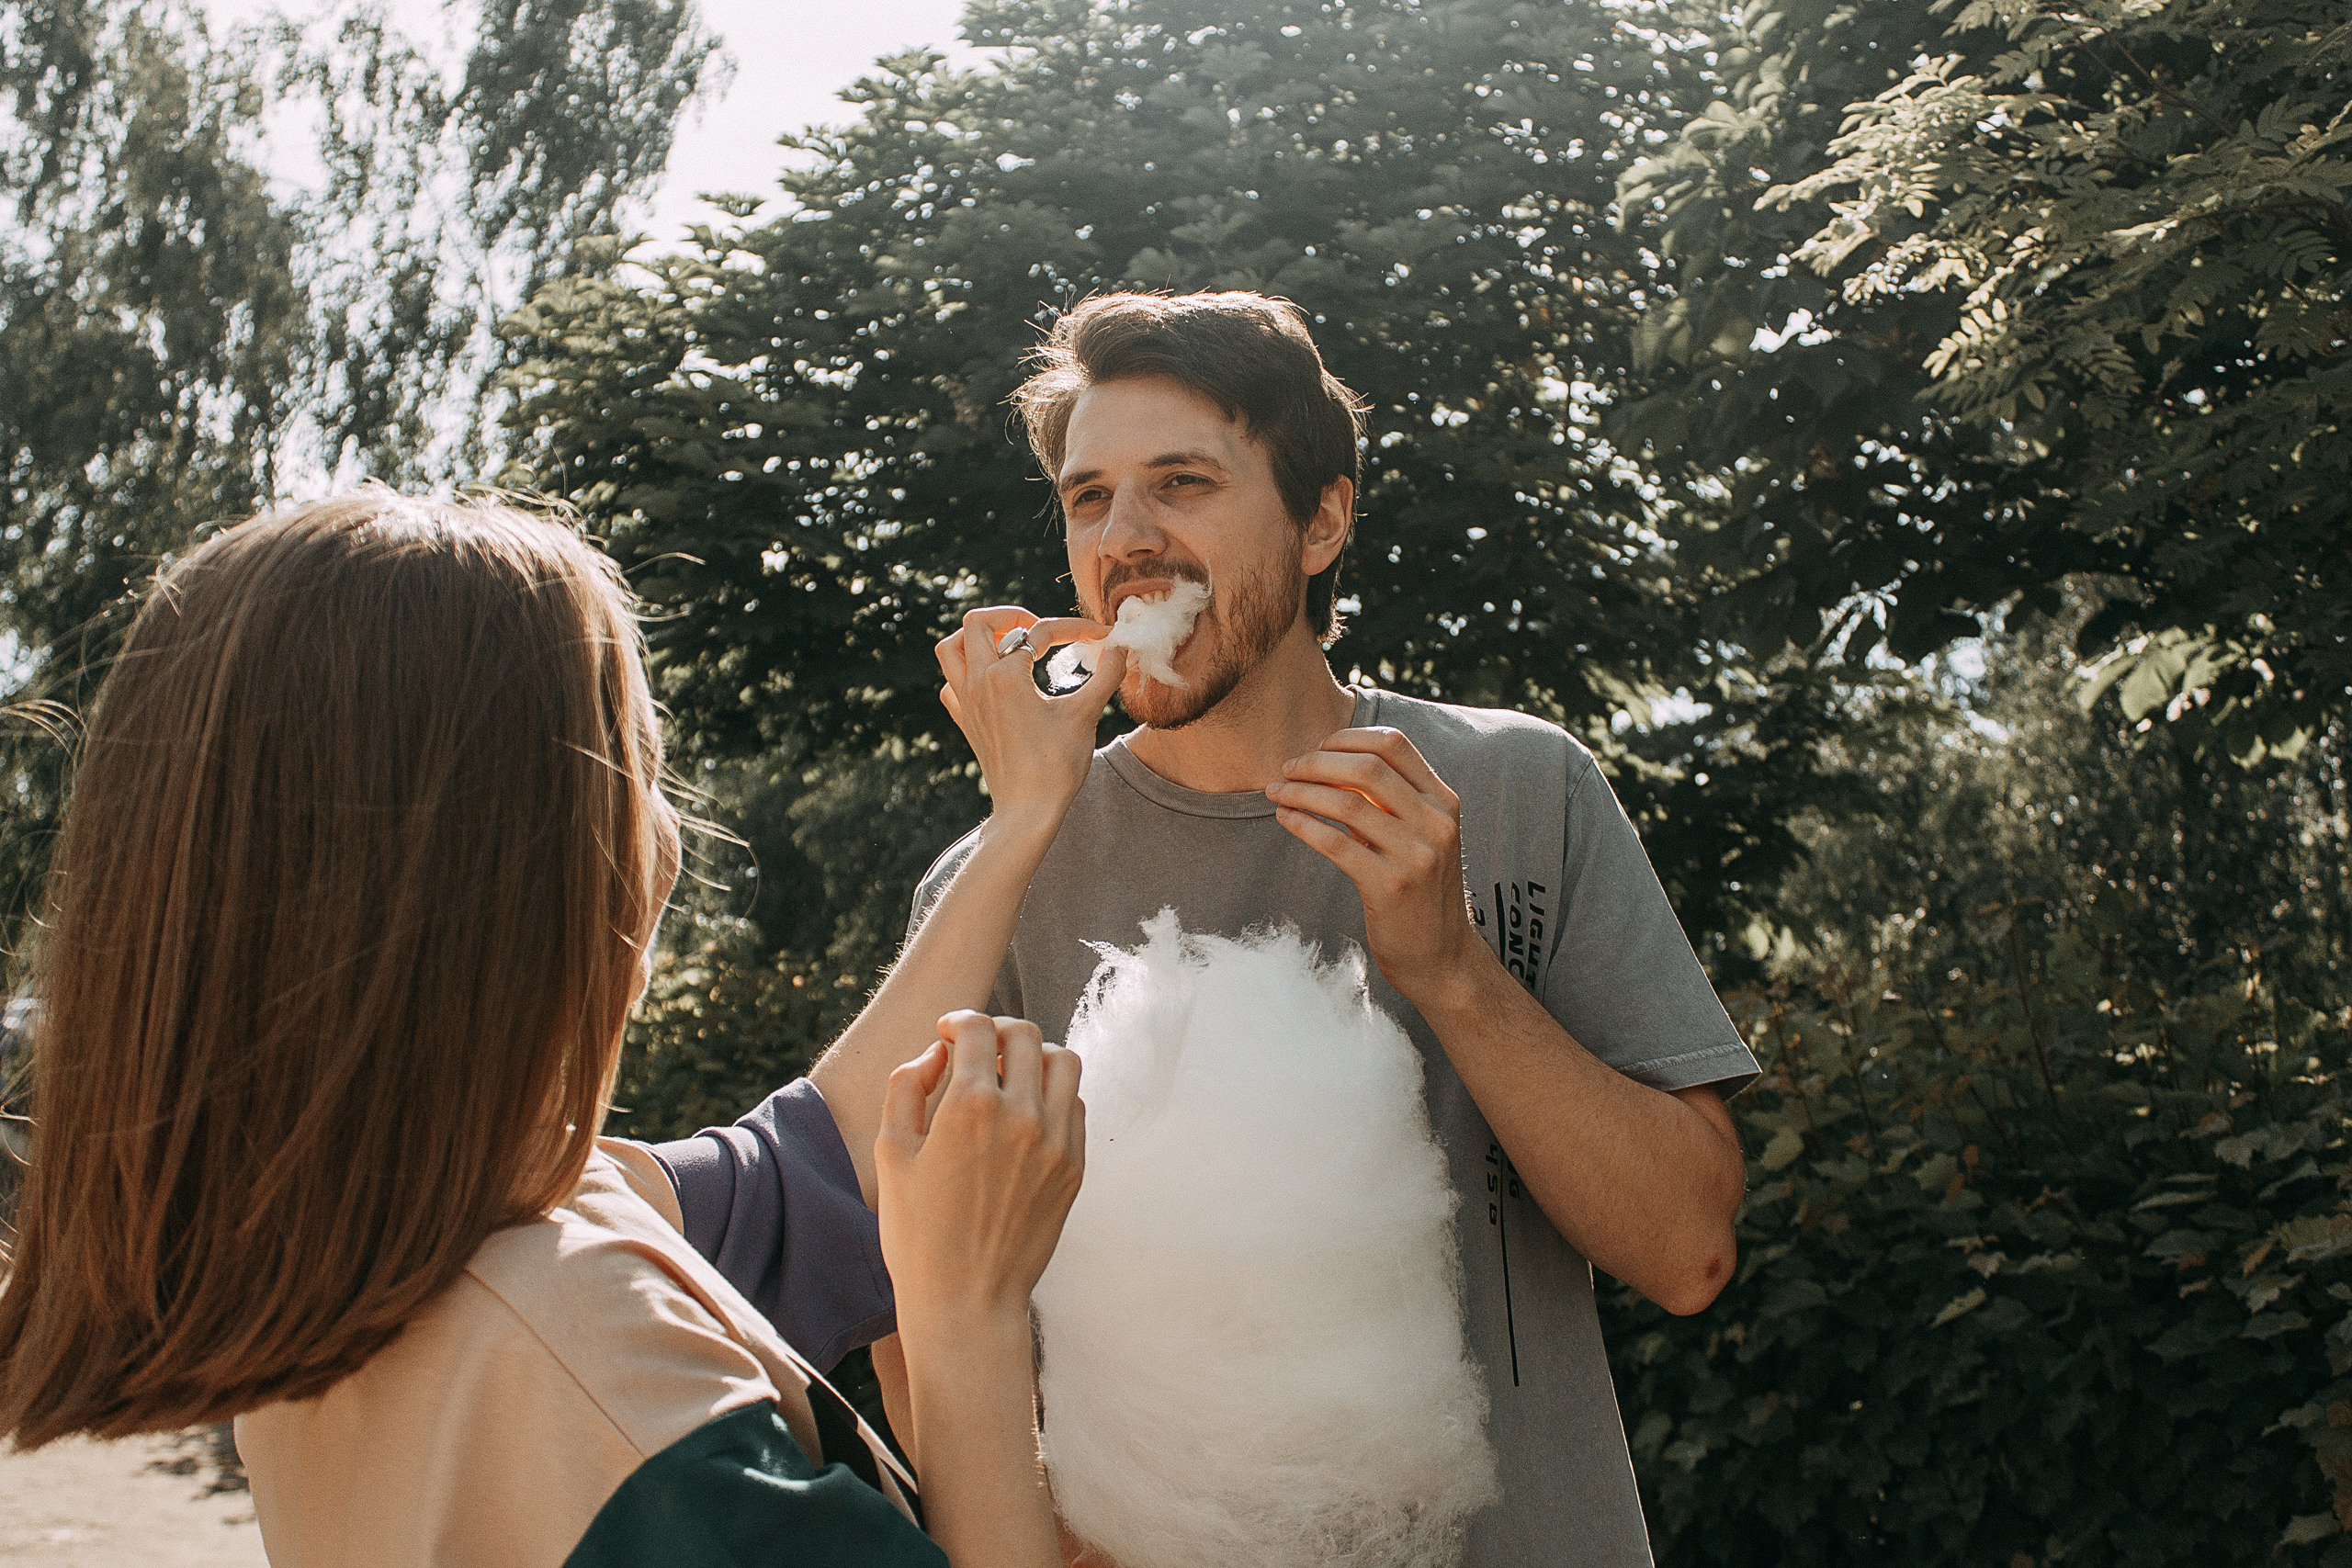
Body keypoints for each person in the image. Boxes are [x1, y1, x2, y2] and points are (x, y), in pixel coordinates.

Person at [0, 491, 1124, 1568]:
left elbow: (807, 1173)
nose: (670, 845)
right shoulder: (630, 1403)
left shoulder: (373, 1245)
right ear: (531, 885)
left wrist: (1023, 812)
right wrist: (962, 1319)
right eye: (637, 780)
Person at [814, 292, 1758, 1568]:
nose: (1127, 540)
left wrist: (1450, 968)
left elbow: (1689, 1245)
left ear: (1324, 519)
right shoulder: (1001, 877)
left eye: (1182, 483)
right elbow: (909, 1313)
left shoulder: (1520, 790)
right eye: (1089, 498)